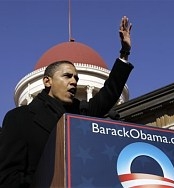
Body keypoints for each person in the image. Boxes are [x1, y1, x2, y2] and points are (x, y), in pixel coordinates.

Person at [0, 16, 133, 188]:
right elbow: (8, 176)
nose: (74, 82)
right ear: (47, 81)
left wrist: (124, 53)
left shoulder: (79, 114)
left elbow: (107, 95)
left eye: (76, 78)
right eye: (67, 76)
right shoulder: (20, 118)